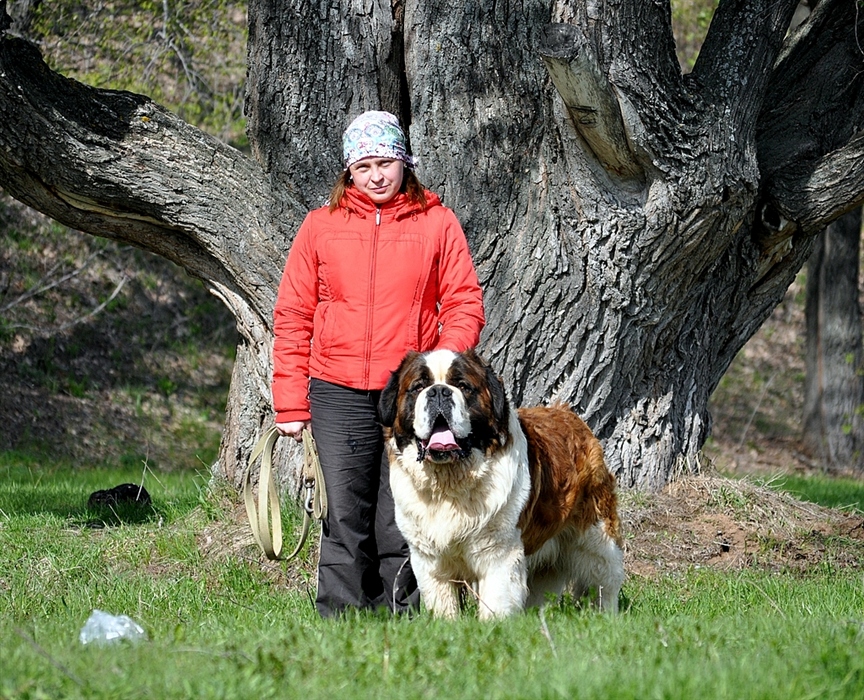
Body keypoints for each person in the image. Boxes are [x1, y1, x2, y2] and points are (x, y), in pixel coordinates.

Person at [271, 110, 486, 618]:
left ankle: (404, 617)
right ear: (348, 171)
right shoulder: (319, 227)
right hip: (336, 389)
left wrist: (438, 367)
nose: (376, 174)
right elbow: (294, 313)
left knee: (402, 516)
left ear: (404, 163)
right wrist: (289, 402)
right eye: (364, 165)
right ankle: (341, 621)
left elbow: (463, 301)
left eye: (386, 161)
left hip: (409, 393)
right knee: (344, 513)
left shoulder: (438, 222)